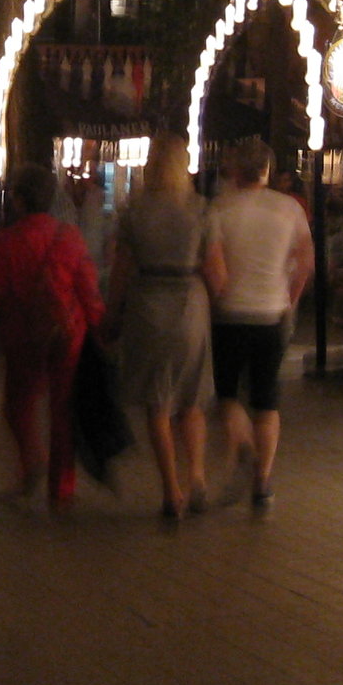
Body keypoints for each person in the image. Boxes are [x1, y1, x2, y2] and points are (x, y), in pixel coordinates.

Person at [0, 164, 105, 511]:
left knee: (18, 404)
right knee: (62, 410)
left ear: (19, 199)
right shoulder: (69, 236)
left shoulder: (7, 241)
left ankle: (31, 459)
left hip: (22, 333)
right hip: (66, 332)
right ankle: (61, 486)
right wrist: (100, 326)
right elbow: (88, 288)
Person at [199, 135, 311, 511]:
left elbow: (214, 269)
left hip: (230, 315)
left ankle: (243, 442)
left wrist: (217, 299)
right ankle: (263, 483)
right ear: (267, 169)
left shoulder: (218, 209)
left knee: (228, 395)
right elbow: (305, 260)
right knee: (267, 400)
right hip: (273, 314)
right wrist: (290, 298)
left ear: (235, 170)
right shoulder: (289, 208)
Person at [106, 134, 211, 519]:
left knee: (158, 402)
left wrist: (111, 314)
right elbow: (216, 271)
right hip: (190, 305)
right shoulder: (200, 208)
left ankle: (171, 491)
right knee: (191, 398)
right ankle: (197, 476)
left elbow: (120, 271)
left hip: (147, 304)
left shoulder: (133, 210)